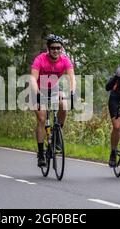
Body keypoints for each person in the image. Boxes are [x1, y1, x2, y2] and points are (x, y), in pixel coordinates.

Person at [30, 34, 76, 167]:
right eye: (53, 48)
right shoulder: (40, 59)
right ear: (48, 48)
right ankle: (40, 153)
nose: (56, 50)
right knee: (42, 119)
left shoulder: (65, 60)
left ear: (61, 49)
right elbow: (33, 78)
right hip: (38, 88)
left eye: (58, 48)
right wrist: (37, 93)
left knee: (64, 104)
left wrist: (72, 92)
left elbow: (72, 78)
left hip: (54, 87)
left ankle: (57, 133)